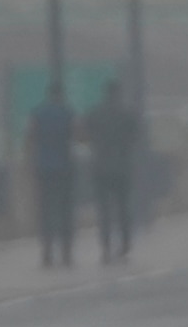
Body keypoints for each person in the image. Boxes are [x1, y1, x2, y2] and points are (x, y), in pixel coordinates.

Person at [87, 82, 142, 262]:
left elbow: (84, 136)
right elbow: (136, 137)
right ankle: (125, 243)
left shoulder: (95, 113)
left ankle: (105, 245)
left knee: (103, 210)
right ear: (118, 94)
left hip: (101, 167)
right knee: (123, 207)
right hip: (122, 167)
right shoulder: (126, 114)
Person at [27, 86, 81, 267]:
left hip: (43, 168)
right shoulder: (67, 113)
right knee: (65, 211)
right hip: (64, 167)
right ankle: (66, 252)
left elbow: (30, 138)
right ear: (61, 95)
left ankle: (47, 251)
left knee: (46, 210)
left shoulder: (38, 114)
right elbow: (77, 136)